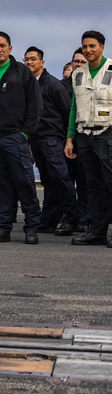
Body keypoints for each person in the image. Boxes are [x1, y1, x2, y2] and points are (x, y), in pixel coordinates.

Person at [0, 32, 42, 244]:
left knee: (24, 182)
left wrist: (25, 133)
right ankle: (2, 228)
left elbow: (35, 105)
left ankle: (31, 227)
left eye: (3, 45)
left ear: (10, 48)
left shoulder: (22, 72)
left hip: (15, 137)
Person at [65, 31, 112, 247]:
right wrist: (70, 138)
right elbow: (75, 107)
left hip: (108, 134)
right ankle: (97, 231)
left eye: (92, 46)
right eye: (85, 46)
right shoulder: (78, 74)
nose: (88, 50)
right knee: (92, 185)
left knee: (110, 184)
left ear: (102, 47)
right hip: (85, 136)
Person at [22, 47, 77, 235]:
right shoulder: (26, 84)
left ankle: (71, 219)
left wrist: (68, 138)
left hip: (53, 138)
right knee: (48, 181)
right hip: (35, 139)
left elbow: (67, 110)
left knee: (61, 179)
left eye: (33, 59)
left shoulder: (53, 84)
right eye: (27, 59)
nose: (29, 62)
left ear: (42, 62)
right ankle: (48, 220)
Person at [64, 48, 91, 230]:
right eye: (76, 61)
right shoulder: (62, 85)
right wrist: (68, 138)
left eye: (82, 62)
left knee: (86, 182)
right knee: (65, 181)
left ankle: (86, 220)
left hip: (89, 137)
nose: (78, 64)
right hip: (67, 139)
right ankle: (69, 218)